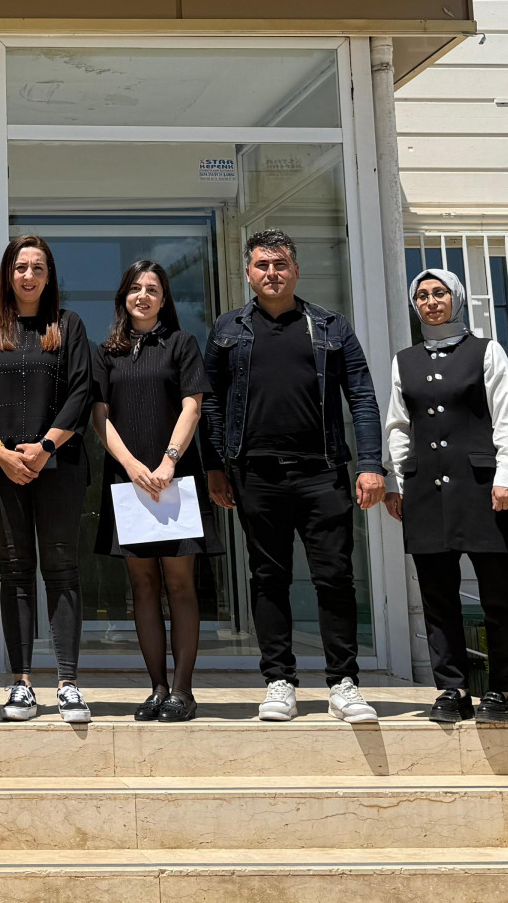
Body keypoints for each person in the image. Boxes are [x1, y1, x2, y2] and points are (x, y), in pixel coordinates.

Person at [202, 228, 385, 725]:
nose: (272, 273)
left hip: (321, 473)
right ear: (248, 273)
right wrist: (215, 466)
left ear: (296, 270)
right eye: (262, 265)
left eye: (280, 264)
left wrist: (371, 464)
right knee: (268, 578)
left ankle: (343, 683)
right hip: (254, 475)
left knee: (335, 578)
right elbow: (209, 402)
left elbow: (362, 397)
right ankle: (279, 682)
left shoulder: (330, 325)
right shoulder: (227, 329)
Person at [385, 267, 508, 725]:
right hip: (425, 492)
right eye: (422, 296)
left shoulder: (487, 352)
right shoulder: (403, 361)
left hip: (483, 489)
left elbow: (506, 419)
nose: (430, 302)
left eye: (439, 293)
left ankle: (503, 690)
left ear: (457, 298)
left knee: (497, 596)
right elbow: (398, 427)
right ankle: (453, 689)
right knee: (437, 597)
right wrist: (398, 483)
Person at [0, 235, 96, 723]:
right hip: (0, 466)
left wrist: (45, 447)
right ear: (8, 274)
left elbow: (81, 391)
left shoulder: (69, 325)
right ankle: (21, 684)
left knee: (61, 568)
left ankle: (68, 684)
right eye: (20, 267)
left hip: (59, 463)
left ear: (49, 276)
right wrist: (1, 453)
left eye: (37, 267)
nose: (28, 275)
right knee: (15, 568)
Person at [93, 259, 224, 723]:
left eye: (152, 289)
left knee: (180, 584)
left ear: (164, 299)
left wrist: (168, 461)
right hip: (127, 480)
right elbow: (100, 416)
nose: (143, 296)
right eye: (135, 288)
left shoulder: (181, 343)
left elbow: (193, 407)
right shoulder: (106, 352)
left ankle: (183, 691)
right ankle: (157, 688)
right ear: (123, 297)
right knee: (142, 586)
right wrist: (132, 467)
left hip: (176, 477)